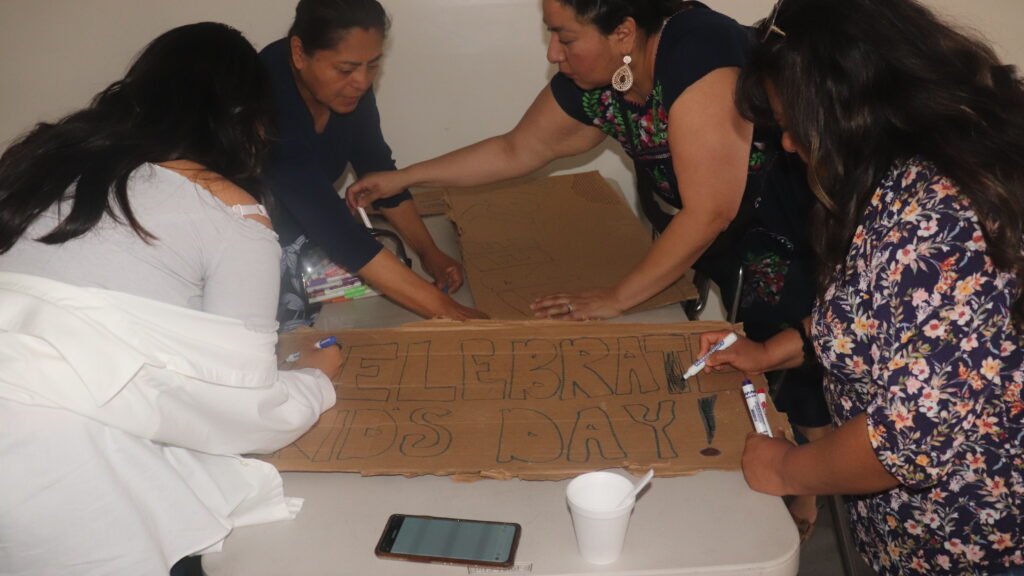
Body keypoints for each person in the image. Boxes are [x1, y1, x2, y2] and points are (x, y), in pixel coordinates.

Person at [348, 0, 830, 536]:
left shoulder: (698, 53)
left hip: (788, 230)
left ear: (622, 32)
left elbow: (710, 211)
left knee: (803, 358)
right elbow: (517, 149)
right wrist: (404, 178)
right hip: (713, 233)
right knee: (752, 355)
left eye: (565, 37)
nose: (554, 54)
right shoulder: (602, 75)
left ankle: (811, 489)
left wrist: (614, 299)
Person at [0, 23, 339, 575]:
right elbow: (244, 407)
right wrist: (315, 381)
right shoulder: (228, 208)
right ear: (245, 117)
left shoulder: (46, 162)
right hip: (45, 465)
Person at [698, 0, 1024, 573]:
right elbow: (872, 315)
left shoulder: (941, 220)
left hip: (975, 542)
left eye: (794, 125)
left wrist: (785, 468)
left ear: (847, 110)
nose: (789, 144)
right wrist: (770, 351)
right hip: (909, 532)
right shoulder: (900, 176)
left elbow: (903, 442)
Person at [261, 0, 485, 329]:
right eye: (346, 69)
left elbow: (376, 167)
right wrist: (449, 311)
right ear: (298, 53)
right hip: (251, 248)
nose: (362, 82)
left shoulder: (346, 91)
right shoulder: (267, 102)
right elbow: (336, 231)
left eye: (373, 65)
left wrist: (429, 253)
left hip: (308, 233)